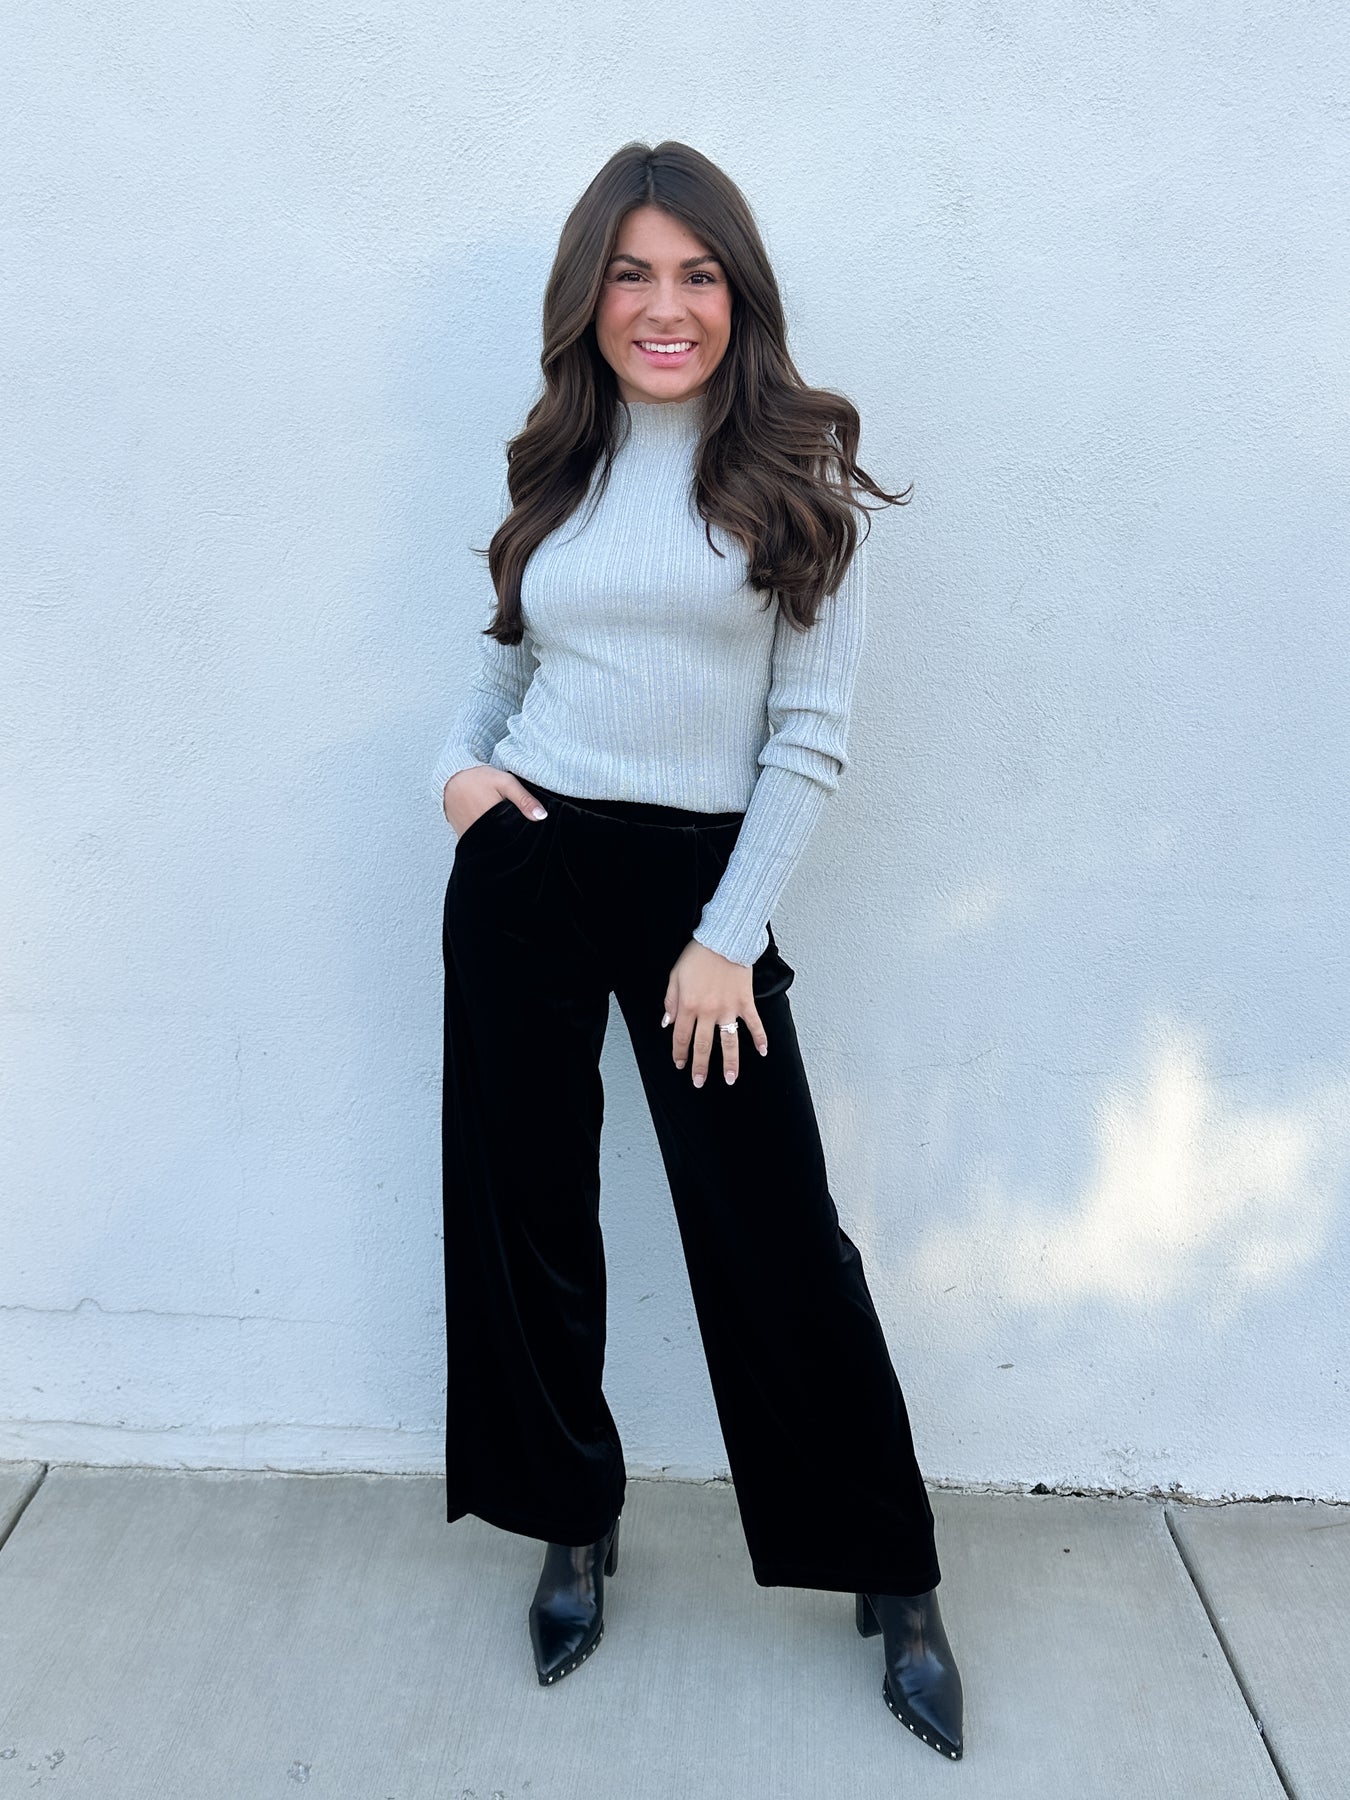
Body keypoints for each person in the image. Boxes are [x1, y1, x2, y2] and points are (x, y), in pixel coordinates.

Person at [432, 141, 964, 1760]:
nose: (663, 308)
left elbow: (807, 736)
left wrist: (725, 938)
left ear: (738, 294)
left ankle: (887, 1566)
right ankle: (568, 1518)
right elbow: (504, 663)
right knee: (524, 1217)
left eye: (696, 274)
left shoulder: (795, 475)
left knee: (775, 1235)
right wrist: (459, 780)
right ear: (588, 298)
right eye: (631, 274)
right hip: (527, 867)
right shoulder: (562, 466)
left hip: (698, 893)